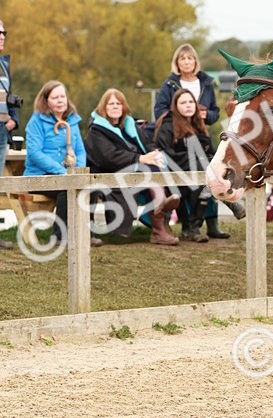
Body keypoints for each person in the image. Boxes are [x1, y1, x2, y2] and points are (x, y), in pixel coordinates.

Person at [154, 43, 241, 238]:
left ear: (195, 61)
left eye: (190, 58)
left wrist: (203, 115)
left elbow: (214, 112)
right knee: (202, 171)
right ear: (177, 62)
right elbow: (158, 111)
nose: (186, 62)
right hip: (177, 136)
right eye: (182, 58)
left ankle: (210, 224)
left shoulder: (206, 82)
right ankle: (195, 224)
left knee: (211, 165)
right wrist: (180, 114)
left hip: (200, 131)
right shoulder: (170, 84)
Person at [84, 88, 180, 245]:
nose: (115, 106)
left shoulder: (130, 125)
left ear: (123, 107)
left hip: (136, 171)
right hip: (109, 173)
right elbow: (108, 157)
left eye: (118, 103)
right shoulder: (96, 130)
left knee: (157, 167)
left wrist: (154, 154)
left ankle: (160, 220)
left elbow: (147, 143)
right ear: (104, 107)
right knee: (151, 170)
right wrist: (141, 158)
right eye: (111, 103)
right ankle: (159, 223)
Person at [23, 80, 94, 244]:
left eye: (63, 96)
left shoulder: (73, 121)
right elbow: (34, 153)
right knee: (66, 190)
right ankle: (60, 236)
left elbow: (80, 150)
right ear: (46, 100)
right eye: (55, 97)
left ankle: (86, 234)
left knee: (90, 189)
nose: (60, 100)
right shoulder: (36, 122)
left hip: (68, 174)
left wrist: (79, 171)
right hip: (39, 175)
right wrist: (62, 172)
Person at [154, 89, 214, 242]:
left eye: (190, 102)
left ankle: (194, 227)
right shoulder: (168, 124)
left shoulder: (199, 126)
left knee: (205, 179)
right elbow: (164, 153)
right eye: (183, 102)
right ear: (175, 106)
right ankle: (188, 226)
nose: (188, 105)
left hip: (198, 174)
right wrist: (192, 156)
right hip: (172, 173)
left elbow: (211, 153)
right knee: (199, 171)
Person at [0, 19, 21, 249]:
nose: (3, 35)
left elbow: (8, 95)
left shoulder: (4, 64)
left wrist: (14, 119)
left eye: (4, 32)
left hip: (2, 132)